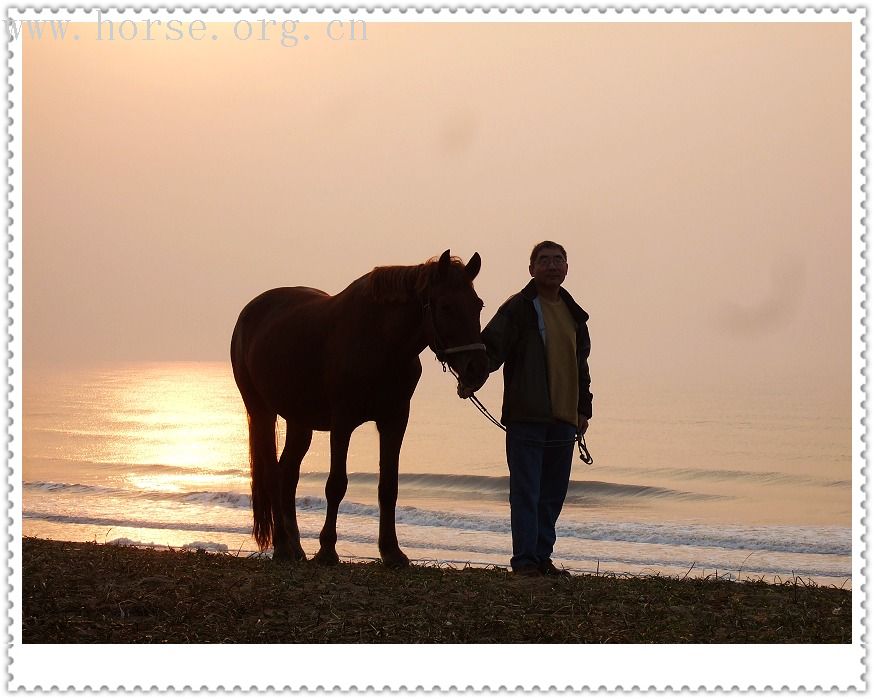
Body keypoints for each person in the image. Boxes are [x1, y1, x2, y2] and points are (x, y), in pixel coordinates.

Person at [459, 241, 592, 577]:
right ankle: (524, 562)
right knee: (526, 492)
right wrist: (472, 379)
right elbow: (491, 348)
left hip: (564, 419)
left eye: (558, 260)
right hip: (527, 416)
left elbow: (582, 367)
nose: (551, 265)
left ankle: (541, 556)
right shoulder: (519, 307)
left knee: (552, 496)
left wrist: (584, 410)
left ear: (567, 268)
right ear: (531, 269)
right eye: (544, 260)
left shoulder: (575, 314)